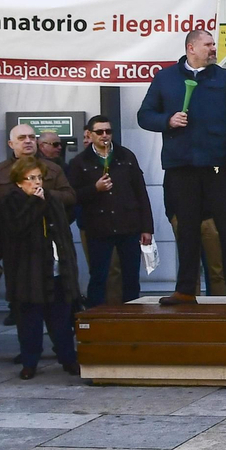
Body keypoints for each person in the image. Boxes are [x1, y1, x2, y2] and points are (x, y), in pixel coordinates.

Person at [137, 29, 226, 305]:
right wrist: (168, 121)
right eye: (208, 44)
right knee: (186, 231)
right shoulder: (165, 79)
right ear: (191, 48)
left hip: (219, 168)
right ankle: (186, 290)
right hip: (182, 168)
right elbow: (144, 115)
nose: (213, 49)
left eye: (214, 44)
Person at [0, 156, 80, 378]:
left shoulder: (51, 198)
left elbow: (63, 233)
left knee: (61, 320)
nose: (37, 183)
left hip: (56, 269)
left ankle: (68, 358)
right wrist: (35, 203)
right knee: (30, 322)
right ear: (19, 182)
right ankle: (29, 362)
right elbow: (17, 228)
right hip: (28, 272)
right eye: (31, 178)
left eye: (39, 178)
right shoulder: (11, 201)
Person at [68, 115, 154, 307]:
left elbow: (141, 192)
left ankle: (131, 317)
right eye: (99, 132)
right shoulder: (80, 162)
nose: (104, 135)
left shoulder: (126, 156)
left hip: (128, 225)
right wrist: (94, 188)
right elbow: (72, 195)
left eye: (108, 131)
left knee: (131, 277)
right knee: (99, 276)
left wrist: (147, 228)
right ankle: (96, 318)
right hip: (98, 227)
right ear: (90, 134)